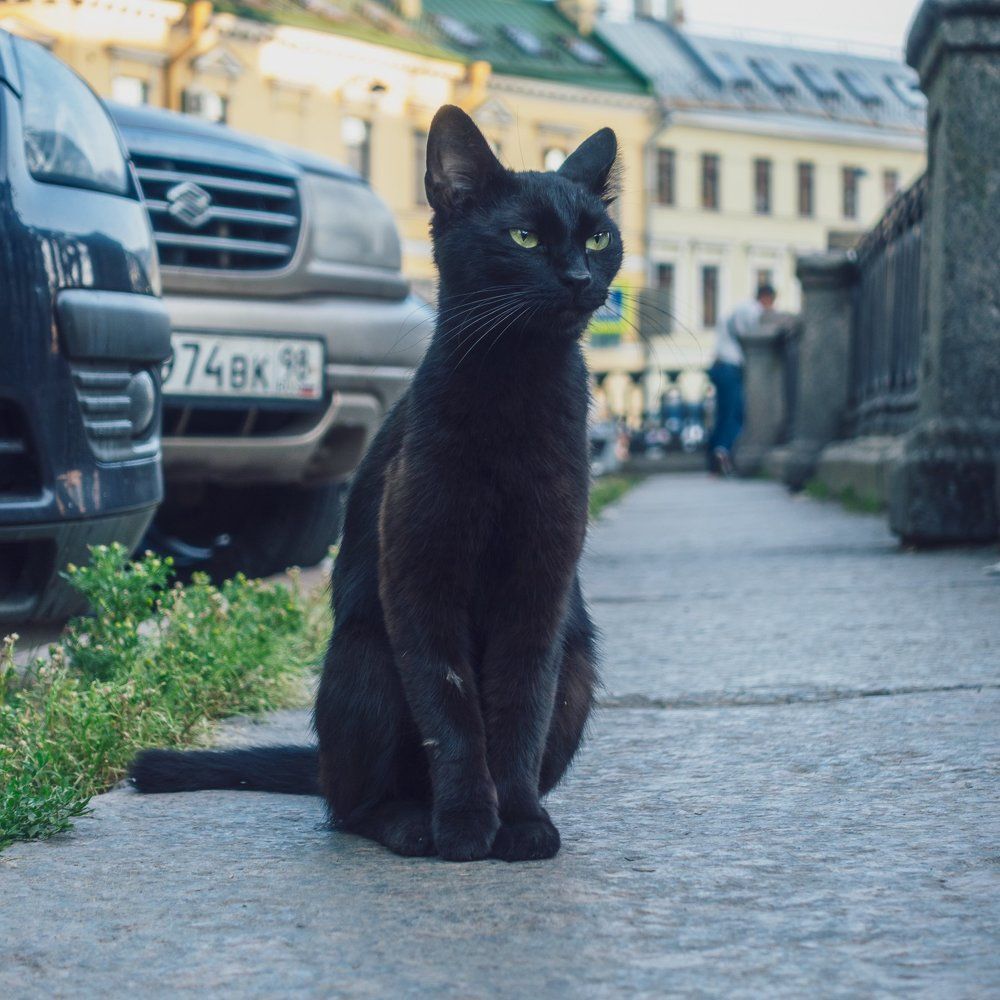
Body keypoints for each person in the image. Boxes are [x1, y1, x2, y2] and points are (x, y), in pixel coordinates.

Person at [706, 283, 776, 476]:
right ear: (767, 298)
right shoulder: (752, 310)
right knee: (735, 413)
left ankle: (713, 460)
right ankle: (723, 453)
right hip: (731, 367)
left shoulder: (737, 308)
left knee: (722, 413)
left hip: (719, 365)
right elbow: (752, 334)